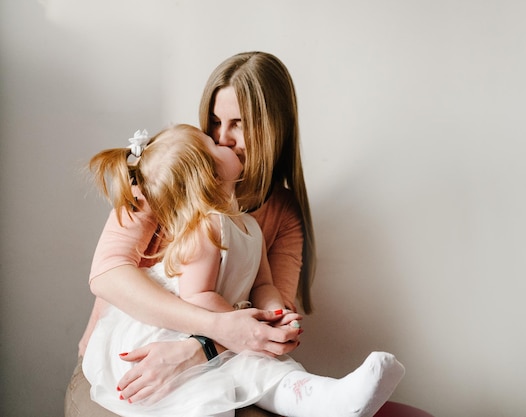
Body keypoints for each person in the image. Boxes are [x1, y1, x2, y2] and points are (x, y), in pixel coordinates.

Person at [63, 52, 391, 417]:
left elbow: (269, 307)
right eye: (216, 122)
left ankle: (332, 399)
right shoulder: (176, 171)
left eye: (239, 123)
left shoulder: (277, 214)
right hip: (127, 366)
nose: (222, 136)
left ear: (273, 129)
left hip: (218, 358)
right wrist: (217, 328)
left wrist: (214, 342)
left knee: (263, 383)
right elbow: (108, 275)